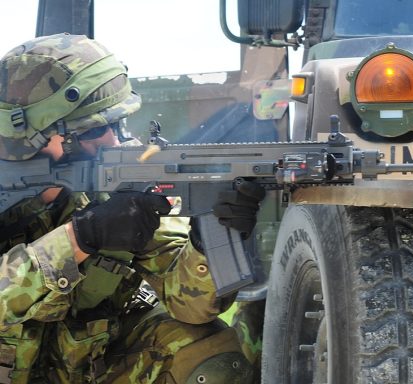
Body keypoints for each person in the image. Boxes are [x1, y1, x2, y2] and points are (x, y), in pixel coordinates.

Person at [0, 33, 265, 383]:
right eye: (94, 129)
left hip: (80, 366)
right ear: (34, 134)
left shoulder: (113, 183)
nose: (113, 141)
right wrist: (79, 237)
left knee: (207, 352)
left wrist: (206, 239)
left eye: (116, 124)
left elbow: (191, 307)